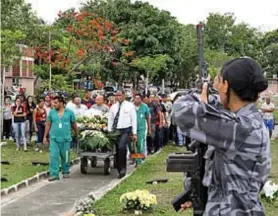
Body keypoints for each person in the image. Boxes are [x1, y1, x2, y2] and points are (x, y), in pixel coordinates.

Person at [173, 57, 270, 215]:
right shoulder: (247, 121)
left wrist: (198, 93)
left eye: (217, 80)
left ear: (226, 85)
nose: (215, 86)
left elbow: (180, 112)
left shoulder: (239, 127)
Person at [43, 96, 78, 181]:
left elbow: (74, 124)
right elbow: (48, 124)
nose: (53, 104)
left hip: (66, 139)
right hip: (54, 138)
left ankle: (65, 171)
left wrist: (77, 134)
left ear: (61, 103)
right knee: (53, 156)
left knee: (65, 156)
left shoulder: (69, 112)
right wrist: (45, 136)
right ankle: (54, 174)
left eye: (56, 103)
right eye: (53, 103)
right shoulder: (52, 113)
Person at [108, 90, 137, 179]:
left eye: (120, 95)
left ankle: (123, 170)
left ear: (124, 96)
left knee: (122, 147)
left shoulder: (130, 106)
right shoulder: (113, 107)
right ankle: (119, 169)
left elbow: (134, 119)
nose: (118, 97)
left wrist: (134, 133)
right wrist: (110, 131)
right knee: (117, 150)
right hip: (116, 131)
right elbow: (110, 119)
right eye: (117, 95)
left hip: (126, 130)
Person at [133, 94, 151, 166]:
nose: (137, 100)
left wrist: (149, 129)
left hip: (141, 129)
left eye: (138, 98)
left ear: (141, 99)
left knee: (139, 145)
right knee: (132, 146)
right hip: (132, 129)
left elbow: (148, 118)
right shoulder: (130, 107)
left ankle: (138, 161)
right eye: (135, 98)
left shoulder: (145, 107)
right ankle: (134, 158)